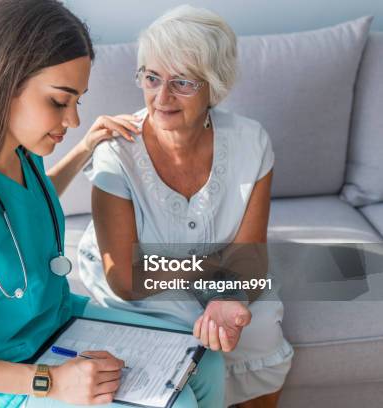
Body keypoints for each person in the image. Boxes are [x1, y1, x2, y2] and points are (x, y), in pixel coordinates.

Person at [0, 1, 225, 407]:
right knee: (178, 402)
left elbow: (23, 209)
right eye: (58, 101)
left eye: (78, 101)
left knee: (204, 362)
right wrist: (51, 383)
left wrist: (86, 147)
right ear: (1, 84)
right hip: (6, 377)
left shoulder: (21, 154)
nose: (72, 120)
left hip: (59, 323)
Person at [78, 5, 294, 408]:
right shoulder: (116, 152)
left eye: (182, 82)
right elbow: (125, 278)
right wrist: (220, 267)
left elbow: (248, 255)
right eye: (152, 77)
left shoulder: (251, 141)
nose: (162, 97)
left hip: (213, 269)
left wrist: (230, 293)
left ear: (214, 85)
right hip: (139, 283)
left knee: (260, 327)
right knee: (187, 330)